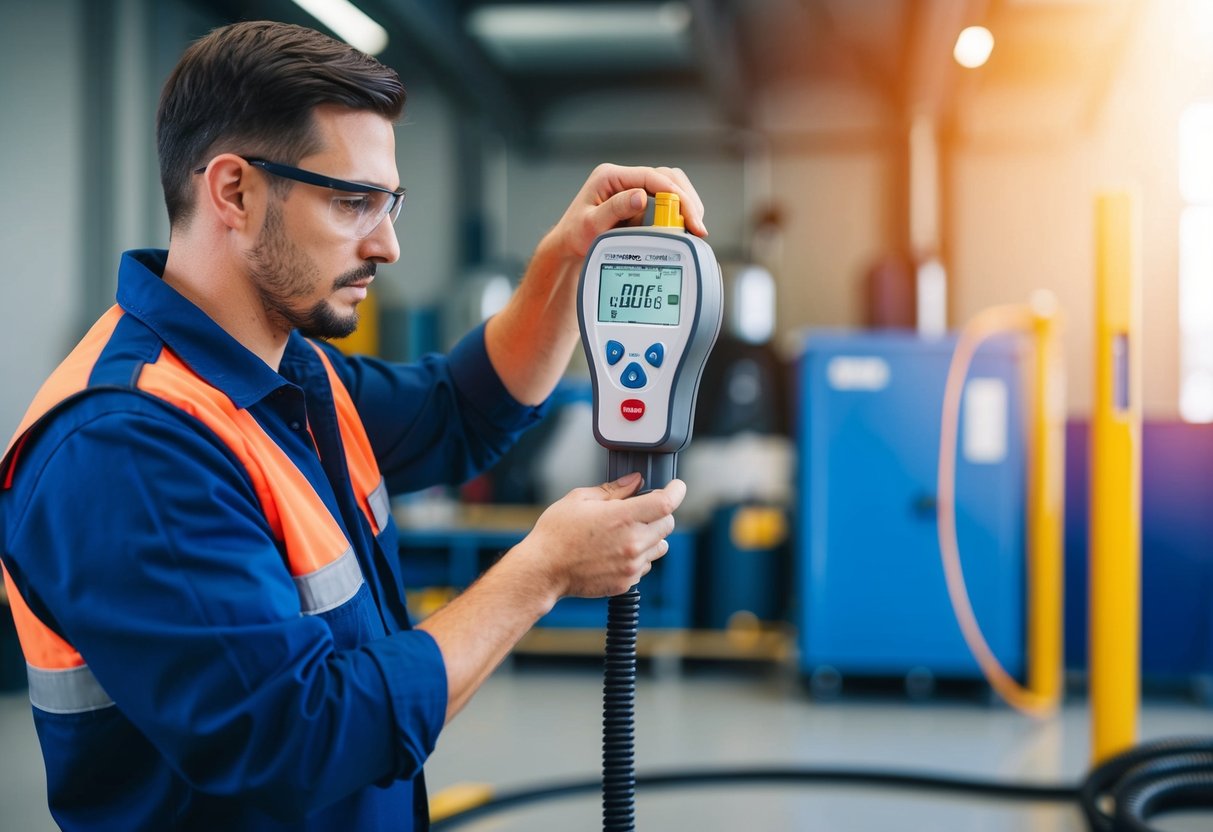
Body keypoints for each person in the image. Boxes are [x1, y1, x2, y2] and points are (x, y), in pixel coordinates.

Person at [0, 20, 705, 831]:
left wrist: (564, 260)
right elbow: (296, 741)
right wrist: (538, 573)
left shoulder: (287, 369)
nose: (389, 244)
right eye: (352, 202)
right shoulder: (127, 445)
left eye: (390, 202)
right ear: (234, 192)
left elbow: (456, 414)